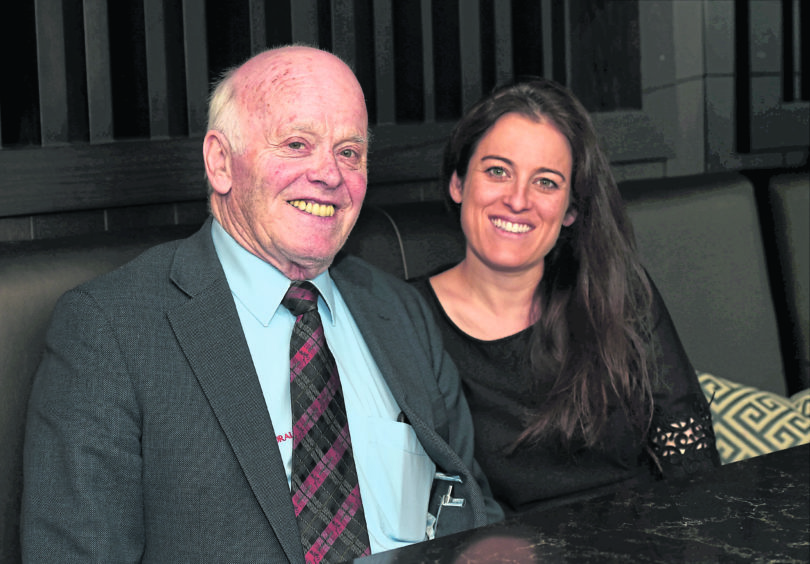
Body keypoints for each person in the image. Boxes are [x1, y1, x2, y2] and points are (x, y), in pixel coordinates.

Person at [21, 45, 501, 563]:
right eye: (297, 144)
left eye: (349, 152)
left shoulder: (400, 311)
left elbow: (470, 512)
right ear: (221, 162)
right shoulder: (112, 329)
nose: (329, 174)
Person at [410, 78, 721, 515]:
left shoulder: (617, 292)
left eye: (546, 182)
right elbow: (426, 504)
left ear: (571, 209)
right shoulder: (405, 319)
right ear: (459, 183)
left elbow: (692, 465)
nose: (518, 200)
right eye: (498, 171)